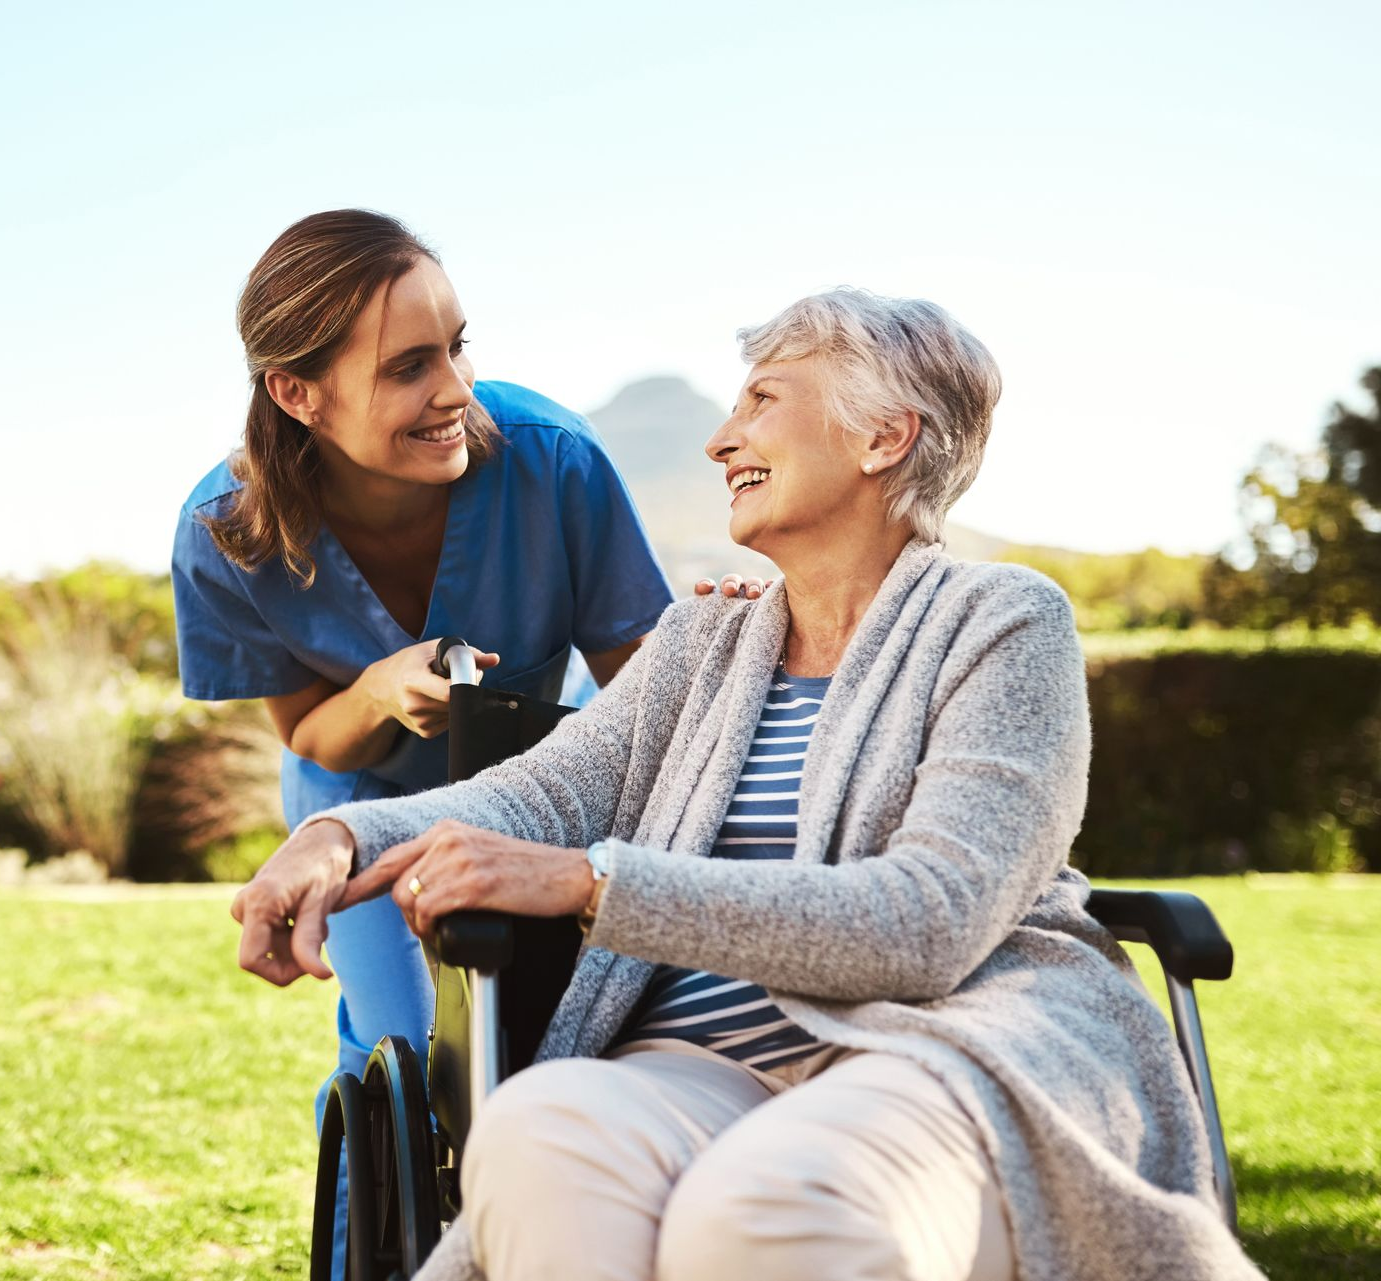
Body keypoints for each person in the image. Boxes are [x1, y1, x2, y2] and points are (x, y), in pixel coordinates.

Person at [232, 288, 1263, 1281]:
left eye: (762, 401)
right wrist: (347, 838)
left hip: (938, 1047)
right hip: (696, 1062)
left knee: (766, 1208)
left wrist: (594, 886)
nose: (722, 441)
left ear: (881, 437)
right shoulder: (707, 640)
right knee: (540, 1141)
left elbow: (932, 921)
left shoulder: (999, 623)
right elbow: (540, 795)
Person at [172, 210, 761, 1260]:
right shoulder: (226, 533)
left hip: (534, 791)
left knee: (548, 1049)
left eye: (457, 345)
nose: (455, 390)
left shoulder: (550, 461)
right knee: (407, 1055)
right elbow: (312, 733)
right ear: (296, 393)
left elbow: (649, 703)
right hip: (352, 808)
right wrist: (379, 687)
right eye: (408, 366)